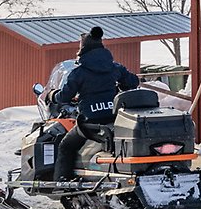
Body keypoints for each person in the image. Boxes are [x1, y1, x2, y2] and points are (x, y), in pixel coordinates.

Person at [49, 26, 139, 182]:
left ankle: (62, 181)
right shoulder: (114, 67)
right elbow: (133, 82)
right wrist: (121, 85)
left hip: (90, 123)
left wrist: (52, 95)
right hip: (113, 120)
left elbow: (65, 96)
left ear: (83, 48)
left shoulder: (79, 72)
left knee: (66, 146)